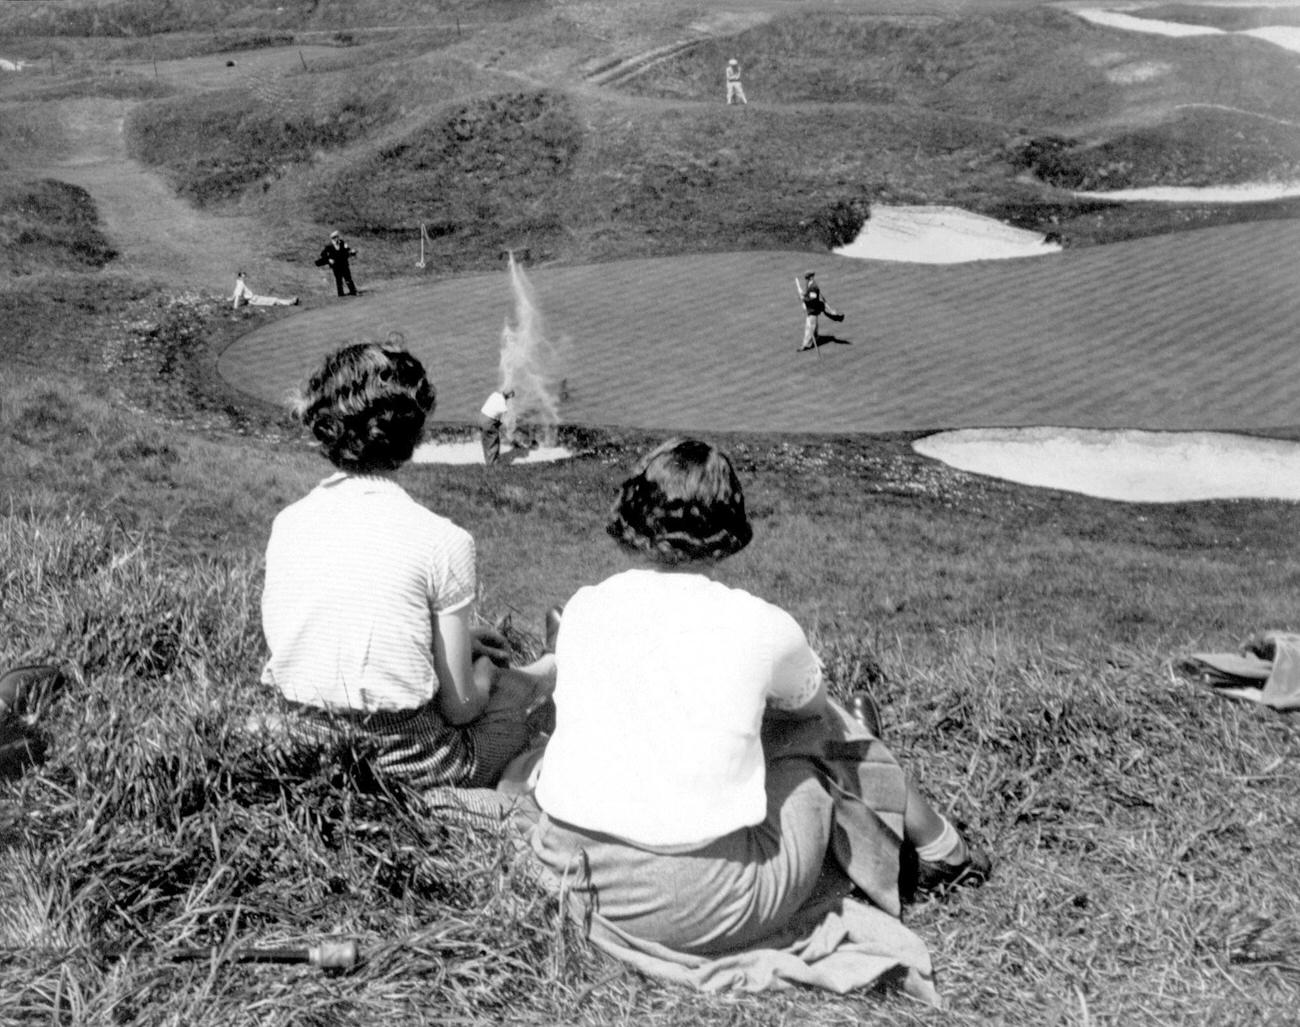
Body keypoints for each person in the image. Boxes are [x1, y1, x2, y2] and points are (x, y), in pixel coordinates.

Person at [530, 438, 989, 958]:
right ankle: (939, 848)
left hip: (566, 873)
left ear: (635, 512)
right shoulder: (759, 624)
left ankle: (929, 841)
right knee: (817, 730)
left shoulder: (586, 606)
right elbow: (811, 710)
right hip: (693, 903)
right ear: (727, 525)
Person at [259, 342, 554, 789]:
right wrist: (487, 673)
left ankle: (544, 668)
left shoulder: (287, 523)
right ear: (411, 434)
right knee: (509, 695)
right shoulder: (443, 540)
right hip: (406, 757)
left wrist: (448, 640)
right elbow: (461, 707)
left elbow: (334, 621)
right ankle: (554, 666)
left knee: (479, 670)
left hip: (300, 741)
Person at [795, 270, 844, 352]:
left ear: (811, 277)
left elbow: (813, 299)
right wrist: (804, 295)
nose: (806, 280)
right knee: (813, 325)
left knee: (809, 327)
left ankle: (806, 345)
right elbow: (809, 295)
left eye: (807, 278)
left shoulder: (813, 286)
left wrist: (803, 299)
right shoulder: (810, 284)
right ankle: (815, 337)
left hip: (813, 309)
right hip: (813, 308)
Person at [314, 230, 358, 297]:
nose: (337, 238)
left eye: (337, 237)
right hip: (336, 266)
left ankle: (353, 291)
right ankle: (341, 294)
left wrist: (351, 251)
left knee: (348, 277)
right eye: (335, 237)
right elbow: (323, 254)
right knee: (338, 279)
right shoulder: (329, 246)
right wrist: (329, 259)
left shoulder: (342, 243)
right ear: (332, 238)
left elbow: (347, 249)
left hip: (344, 264)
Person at [478, 387, 514, 466]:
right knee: (494, 440)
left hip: (480, 418)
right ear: (509, 397)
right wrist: (507, 432)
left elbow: (496, 418)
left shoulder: (494, 394)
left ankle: (488, 461)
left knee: (486, 441)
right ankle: (492, 465)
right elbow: (502, 422)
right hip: (487, 422)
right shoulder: (503, 407)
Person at [231, 271, 298, 308]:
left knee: (273, 300)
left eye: (245, 276)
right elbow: (237, 296)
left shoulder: (239, 283)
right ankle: (291, 302)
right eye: (243, 277)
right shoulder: (240, 284)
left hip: (254, 298)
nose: (245, 278)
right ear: (240, 277)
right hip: (253, 299)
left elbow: (235, 294)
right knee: (273, 300)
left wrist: (230, 299)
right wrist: (235, 307)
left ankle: (290, 302)